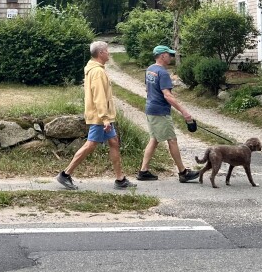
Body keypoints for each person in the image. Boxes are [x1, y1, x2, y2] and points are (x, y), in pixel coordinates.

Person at [57, 41, 136, 190]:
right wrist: (105, 118)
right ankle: (65, 174)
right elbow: (99, 96)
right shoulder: (97, 72)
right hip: (100, 117)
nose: (109, 53)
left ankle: (120, 180)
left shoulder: (94, 68)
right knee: (90, 145)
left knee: (113, 142)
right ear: (100, 53)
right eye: (107, 51)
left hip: (102, 116)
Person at [136, 45, 200, 183]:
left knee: (154, 139)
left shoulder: (150, 69)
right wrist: (185, 112)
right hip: (160, 111)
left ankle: (143, 171)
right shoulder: (163, 73)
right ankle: (183, 172)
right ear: (162, 55)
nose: (171, 57)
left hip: (150, 109)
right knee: (172, 140)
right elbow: (167, 96)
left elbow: (148, 89)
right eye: (169, 54)